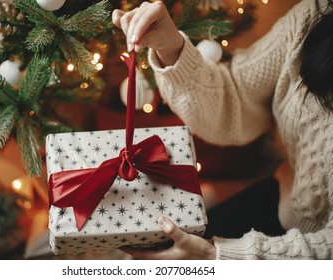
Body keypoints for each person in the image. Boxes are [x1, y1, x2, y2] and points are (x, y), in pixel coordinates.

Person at [112, 0, 333, 260]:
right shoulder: (315, 14)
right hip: (288, 202)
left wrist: (216, 257)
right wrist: (170, 47)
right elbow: (235, 100)